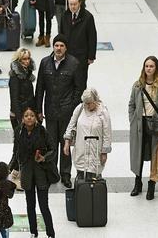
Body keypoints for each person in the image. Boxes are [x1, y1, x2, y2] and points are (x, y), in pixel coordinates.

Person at [35, 34, 83, 188]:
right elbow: (40, 88)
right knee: (51, 144)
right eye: (56, 45)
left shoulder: (74, 64)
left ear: (66, 48)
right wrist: (39, 110)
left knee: (65, 143)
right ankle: (52, 172)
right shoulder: (45, 63)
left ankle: (66, 174)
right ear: (53, 47)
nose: (59, 48)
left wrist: (72, 107)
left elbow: (79, 89)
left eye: (62, 45)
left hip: (66, 112)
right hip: (50, 110)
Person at [128, 56, 158, 199]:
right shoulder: (137, 85)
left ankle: (151, 185)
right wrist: (132, 120)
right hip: (140, 125)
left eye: (151, 66)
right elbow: (131, 105)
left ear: (156, 68)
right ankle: (137, 182)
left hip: (157, 125)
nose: (148, 69)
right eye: (146, 66)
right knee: (138, 154)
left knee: (155, 155)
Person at [9, 107, 56, 238]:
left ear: (36, 118)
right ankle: (33, 232)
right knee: (30, 205)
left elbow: (53, 149)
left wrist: (44, 157)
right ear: (23, 119)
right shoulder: (18, 131)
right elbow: (16, 152)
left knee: (43, 206)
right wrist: (10, 168)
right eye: (26, 116)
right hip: (27, 173)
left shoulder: (42, 131)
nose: (29, 117)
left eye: (32, 115)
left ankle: (50, 233)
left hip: (41, 173)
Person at [63, 88, 112, 179]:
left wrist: (104, 152)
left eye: (89, 103)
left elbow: (107, 134)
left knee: (94, 178)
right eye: (85, 103)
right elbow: (71, 124)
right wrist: (67, 142)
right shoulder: (80, 108)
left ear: (95, 101)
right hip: (81, 150)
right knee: (81, 176)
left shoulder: (103, 112)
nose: (87, 105)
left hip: (95, 150)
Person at [59, 0, 97, 90]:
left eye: (75, 4)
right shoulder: (64, 16)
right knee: (68, 81)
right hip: (68, 55)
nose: (72, 7)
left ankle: (80, 103)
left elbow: (92, 37)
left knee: (80, 81)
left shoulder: (88, 17)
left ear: (79, 3)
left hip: (82, 56)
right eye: (70, 4)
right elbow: (61, 34)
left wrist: (91, 56)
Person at [8, 48, 36, 131]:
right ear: (19, 60)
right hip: (18, 114)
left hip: (28, 113)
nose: (27, 61)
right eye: (24, 59)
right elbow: (14, 98)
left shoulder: (28, 73)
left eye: (28, 58)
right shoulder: (15, 76)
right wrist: (20, 119)